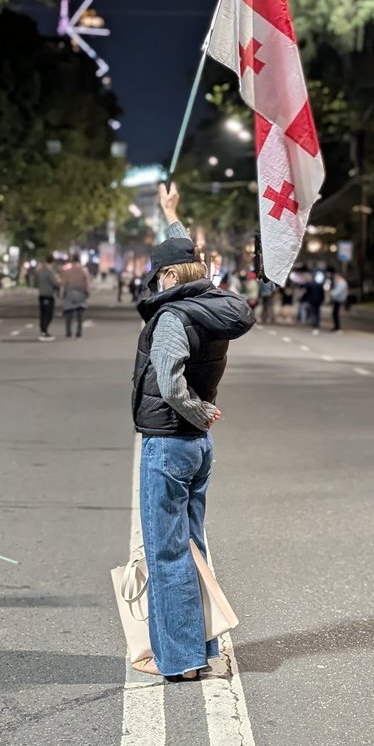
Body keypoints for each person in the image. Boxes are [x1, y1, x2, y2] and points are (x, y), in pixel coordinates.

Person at [131, 182, 254, 681]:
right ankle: (200, 646)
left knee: (165, 551)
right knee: (191, 546)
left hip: (170, 441)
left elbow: (169, 379)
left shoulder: (170, 317)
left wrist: (197, 410)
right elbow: (182, 260)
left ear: (165, 276)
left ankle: (179, 661)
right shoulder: (214, 306)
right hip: (198, 448)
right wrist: (170, 214)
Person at [62, 253, 90, 338]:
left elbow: (65, 282)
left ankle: (68, 331)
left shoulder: (68, 270)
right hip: (80, 292)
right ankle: (79, 331)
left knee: (68, 313)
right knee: (79, 314)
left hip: (70, 292)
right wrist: (87, 292)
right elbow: (86, 282)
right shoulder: (83, 270)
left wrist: (63, 292)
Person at [36, 255, 60, 340]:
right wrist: (58, 283)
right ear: (52, 262)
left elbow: (36, 282)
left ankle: (43, 331)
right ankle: (44, 332)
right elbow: (54, 283)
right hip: (48, 295)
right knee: (48, 314)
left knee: (42, 314)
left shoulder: (40, 271)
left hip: (41, 295)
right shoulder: (50, 272)